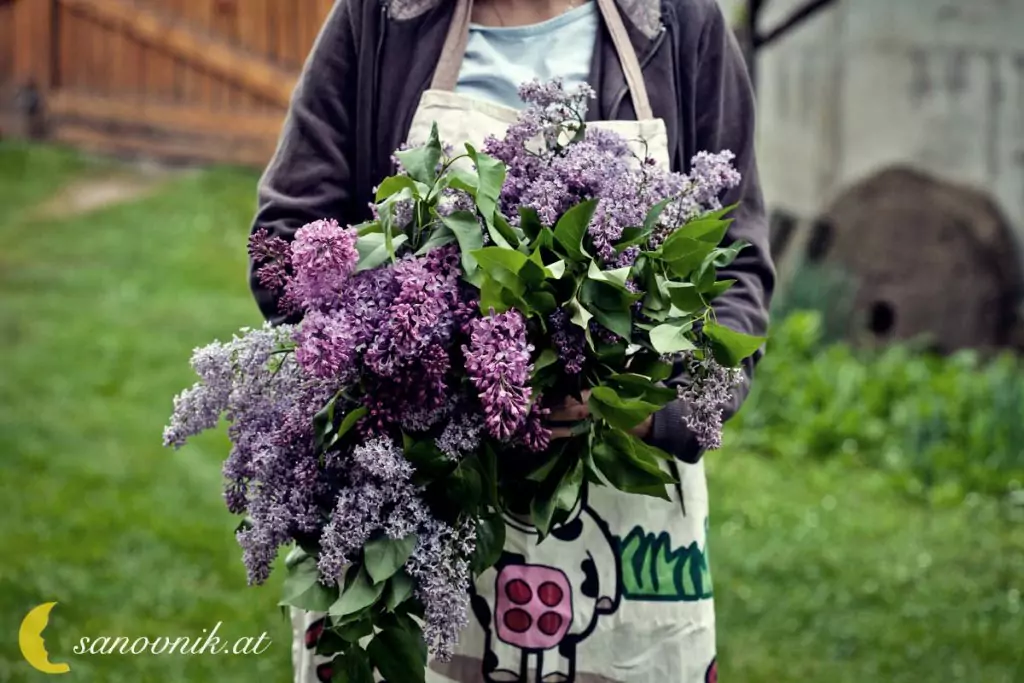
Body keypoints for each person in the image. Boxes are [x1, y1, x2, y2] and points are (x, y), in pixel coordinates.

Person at [249, 0, 774, 681]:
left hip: (620, 517)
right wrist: (410, 356)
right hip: (407, 499)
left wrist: (651, 408)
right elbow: (285, 241)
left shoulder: (676, 22)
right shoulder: (383, 17)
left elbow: (736, 269)